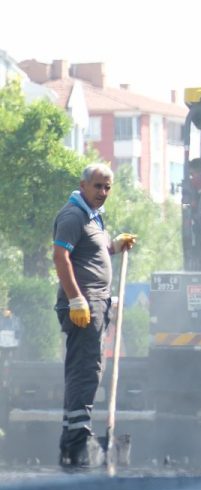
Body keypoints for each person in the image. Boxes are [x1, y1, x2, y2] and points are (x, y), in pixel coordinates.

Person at [52, 163, 136, 468]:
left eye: (107, 187)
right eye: (98, 186)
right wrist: (76, 299)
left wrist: (114, 246)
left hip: (96, 302)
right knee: (85, 368)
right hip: (83, 304)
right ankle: (77, 440)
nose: (103, 192)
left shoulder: (93, 217)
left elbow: (89, 254)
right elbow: (60, 256)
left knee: (89, 367)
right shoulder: (73, 215)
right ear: (83, 185)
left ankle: (74, 436)